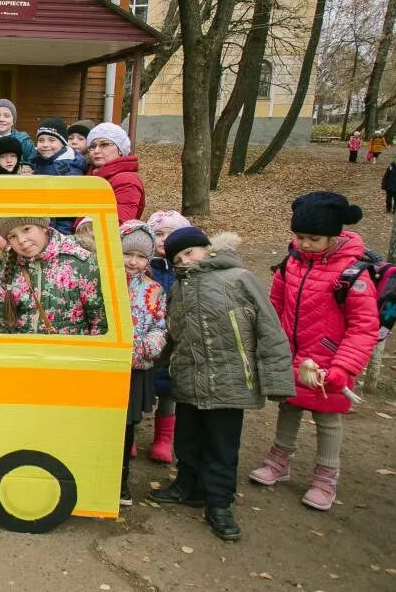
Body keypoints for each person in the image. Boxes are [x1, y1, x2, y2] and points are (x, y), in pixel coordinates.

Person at [148, 227, 295, 541]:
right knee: (187, 438)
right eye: (178, 259)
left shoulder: (239, 279)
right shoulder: (178, 290)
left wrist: (278, 381)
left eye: (190, 253)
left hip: (229, 381)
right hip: (188, 379)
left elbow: (269, 328)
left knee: (221, 445)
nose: (185, 261)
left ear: (207, 248)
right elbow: (171, 336)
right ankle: (188, 486)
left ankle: (219, 503)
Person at [249, 193, 380, 511]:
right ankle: (279, 460)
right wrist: (272, 344)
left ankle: (325, 476)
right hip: (293, 354)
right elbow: (276, 305)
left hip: (329, 361)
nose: (305, 244)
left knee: (328, 418)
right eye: (300, 237)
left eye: (313, 238)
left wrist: (344, 368)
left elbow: (363, 326)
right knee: (289, 407)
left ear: (333, 236)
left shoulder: (353, 275)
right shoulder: (290, 263)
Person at [0, 217, 105, 336]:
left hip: (70, 354)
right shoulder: (7, 264)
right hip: (23, 353)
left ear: (44, 227)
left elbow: (100, 320)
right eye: (13, 236)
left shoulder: (80, 262)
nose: (21, 240)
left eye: (26, 229)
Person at [119, 221, 167, 507]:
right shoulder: (101, 281)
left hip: (134, 370)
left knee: (125, 427)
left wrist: (135, 353)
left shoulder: (154, 290)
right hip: (104, 368)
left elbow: (159, 329)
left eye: (140, 256)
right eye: (128, 254)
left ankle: (121, 480)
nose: (133, 262)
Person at [144, 209, 190, 463]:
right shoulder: (145, 264)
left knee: (169, 389)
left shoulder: (185, 268)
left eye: (170, 235)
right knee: (143, 383)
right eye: (158, 234)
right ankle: (134, 427)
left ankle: (163, 437)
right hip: (149, 332)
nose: (163, 240)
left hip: (175, 337)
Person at [86, 122, 145, 222]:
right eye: (92, 146)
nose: (96, 150)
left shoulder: (127, 180)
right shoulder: (88, 175)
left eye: (104, 145)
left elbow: (119, 221)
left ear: (120, 150)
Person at [0, 98, 34, 170]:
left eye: (7, 116)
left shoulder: (24, 141)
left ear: (13, 121)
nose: (1, 119)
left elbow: (33, 163)